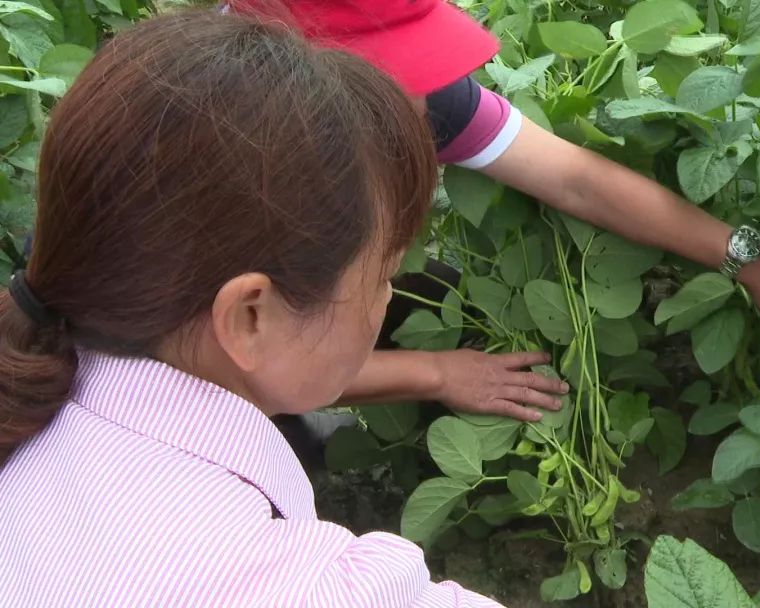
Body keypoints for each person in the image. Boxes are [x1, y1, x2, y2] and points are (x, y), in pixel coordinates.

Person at [0, 10, 500, 607]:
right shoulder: (300, 589)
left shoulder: (34, 410)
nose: (388, 297)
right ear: (249, 317)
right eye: (386, 274)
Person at [223, 1, 760, 435]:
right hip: (184, 401)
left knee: (436, 285)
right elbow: (231, 361)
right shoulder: (213, 165)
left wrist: (748, 258)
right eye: (396, 60)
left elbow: (576, 180)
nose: (424, 98)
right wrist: (436, 372)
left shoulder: (414, 96)